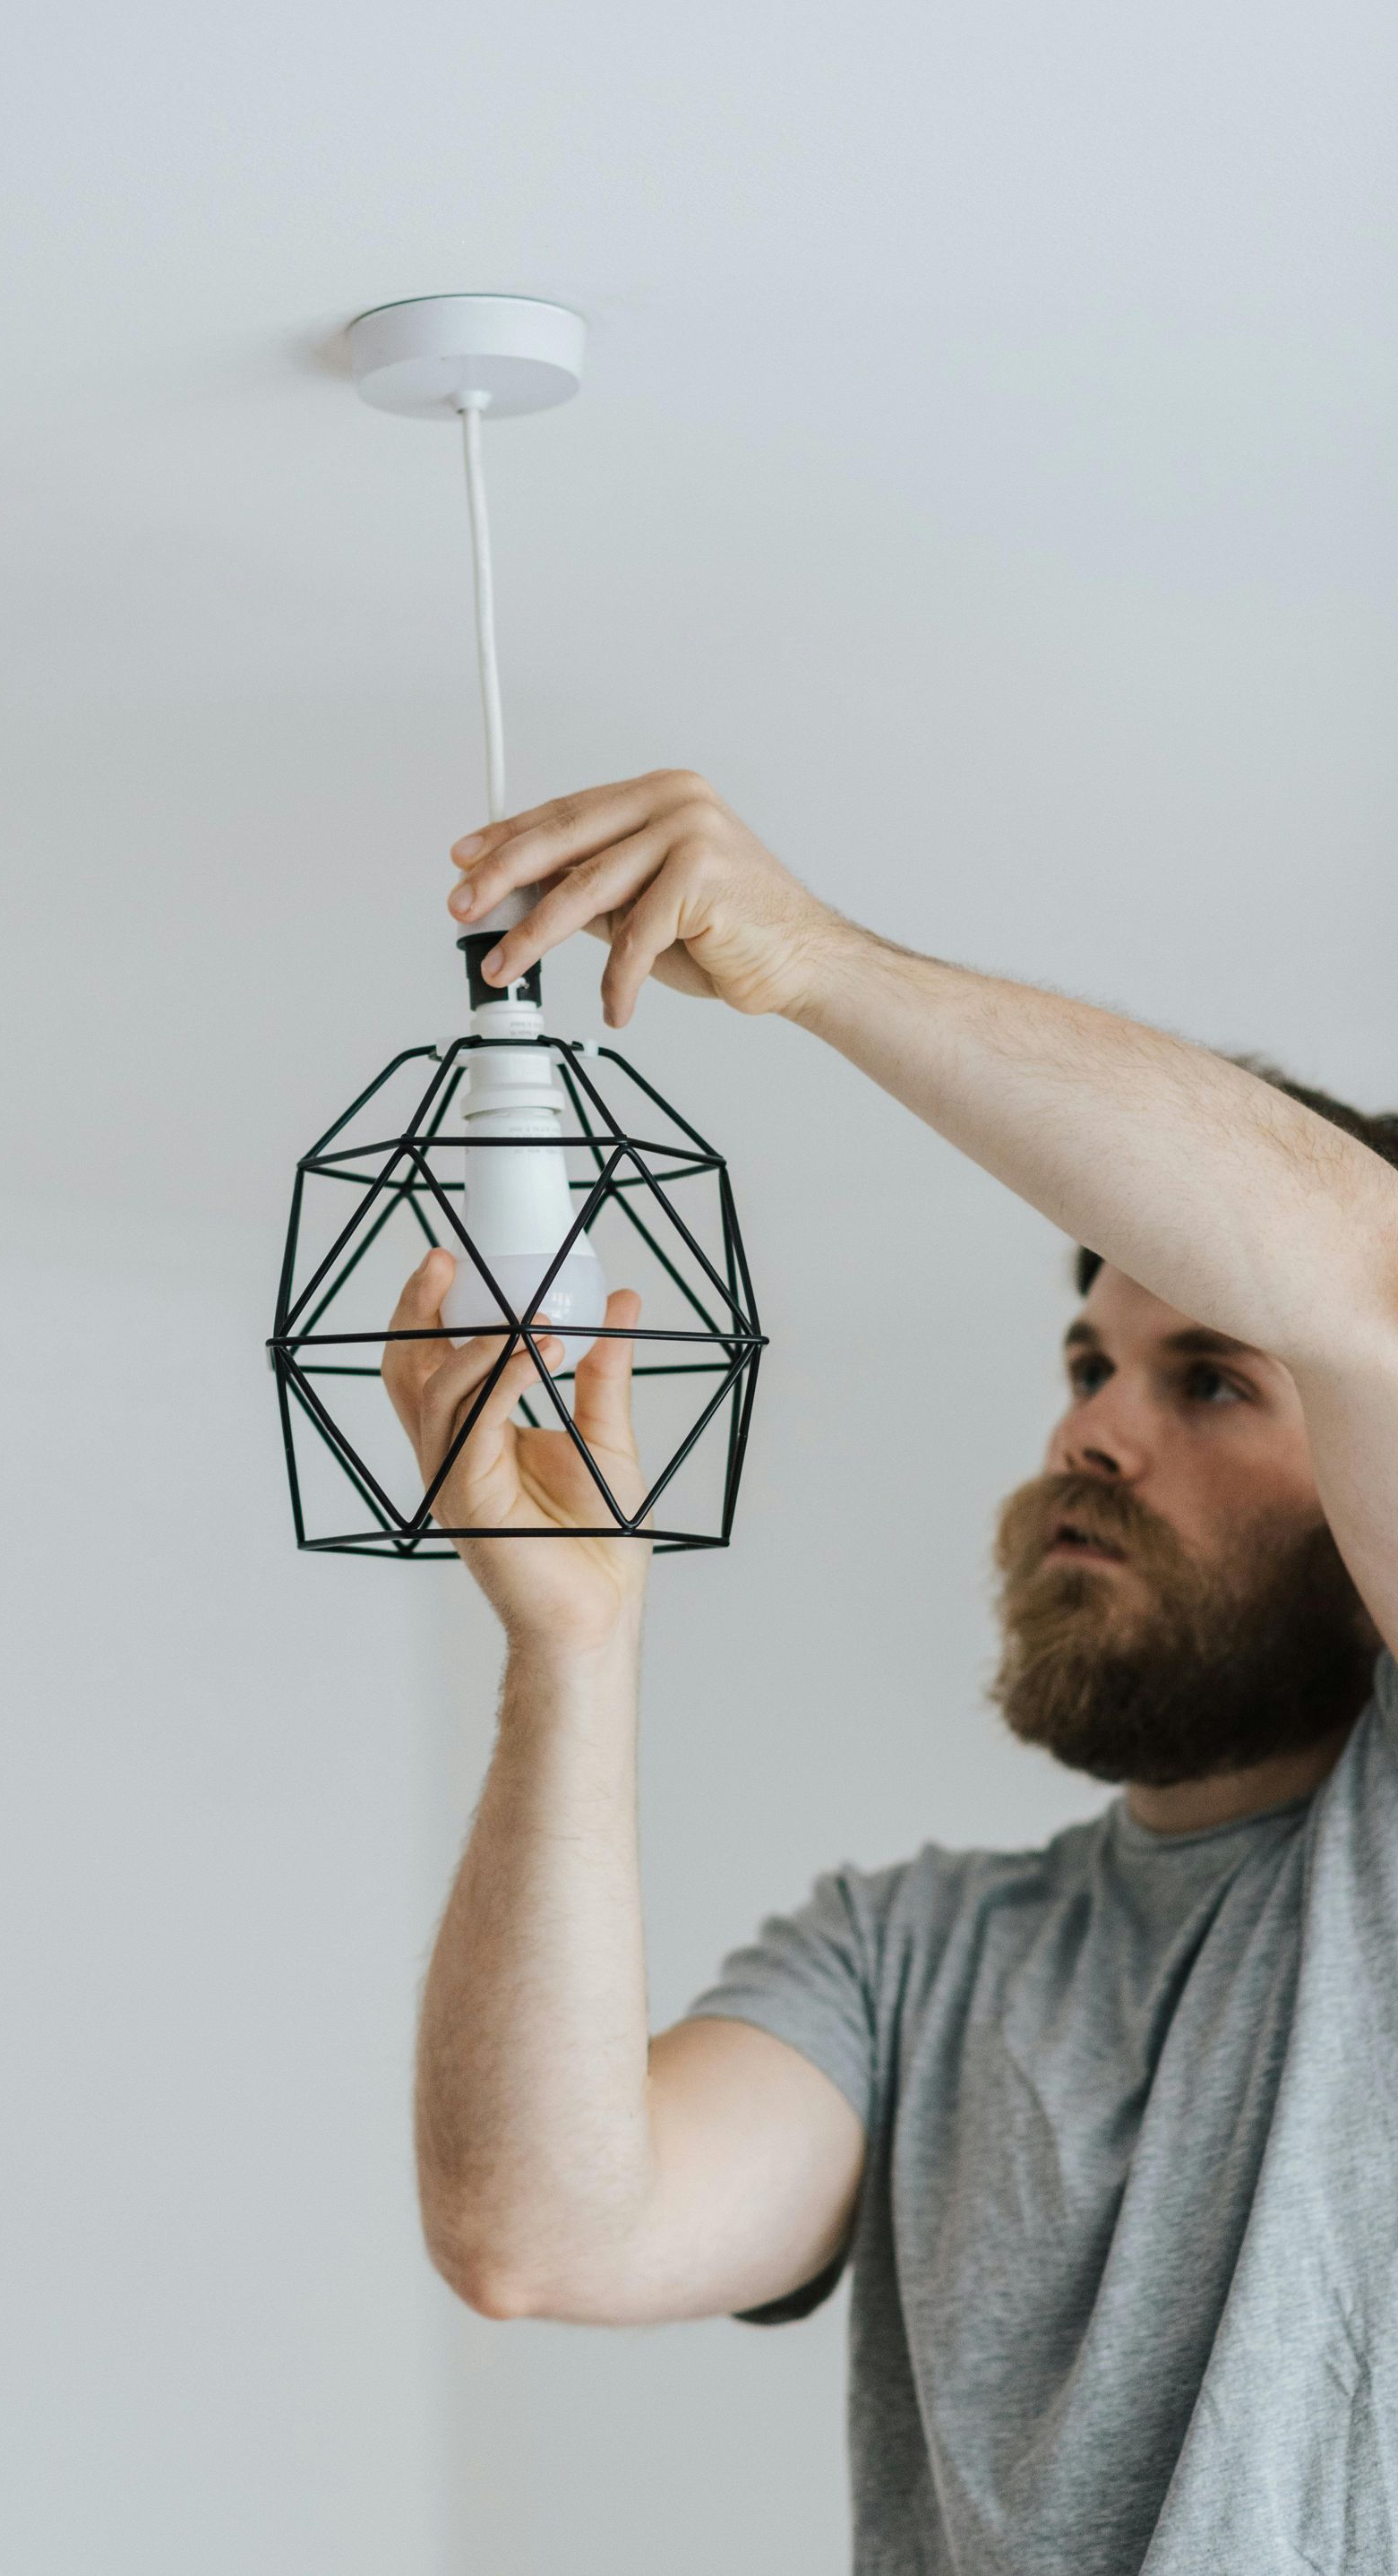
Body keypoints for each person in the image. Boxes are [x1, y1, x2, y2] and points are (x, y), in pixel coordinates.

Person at [380, 771, 1398, 2576]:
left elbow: (1370, 1273)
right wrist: (572, 1643)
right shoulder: (912, 1955)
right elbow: (540, 2225)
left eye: (1212, 1377)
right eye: (1089, 1361)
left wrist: (819, 964)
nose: (1090, 1429)